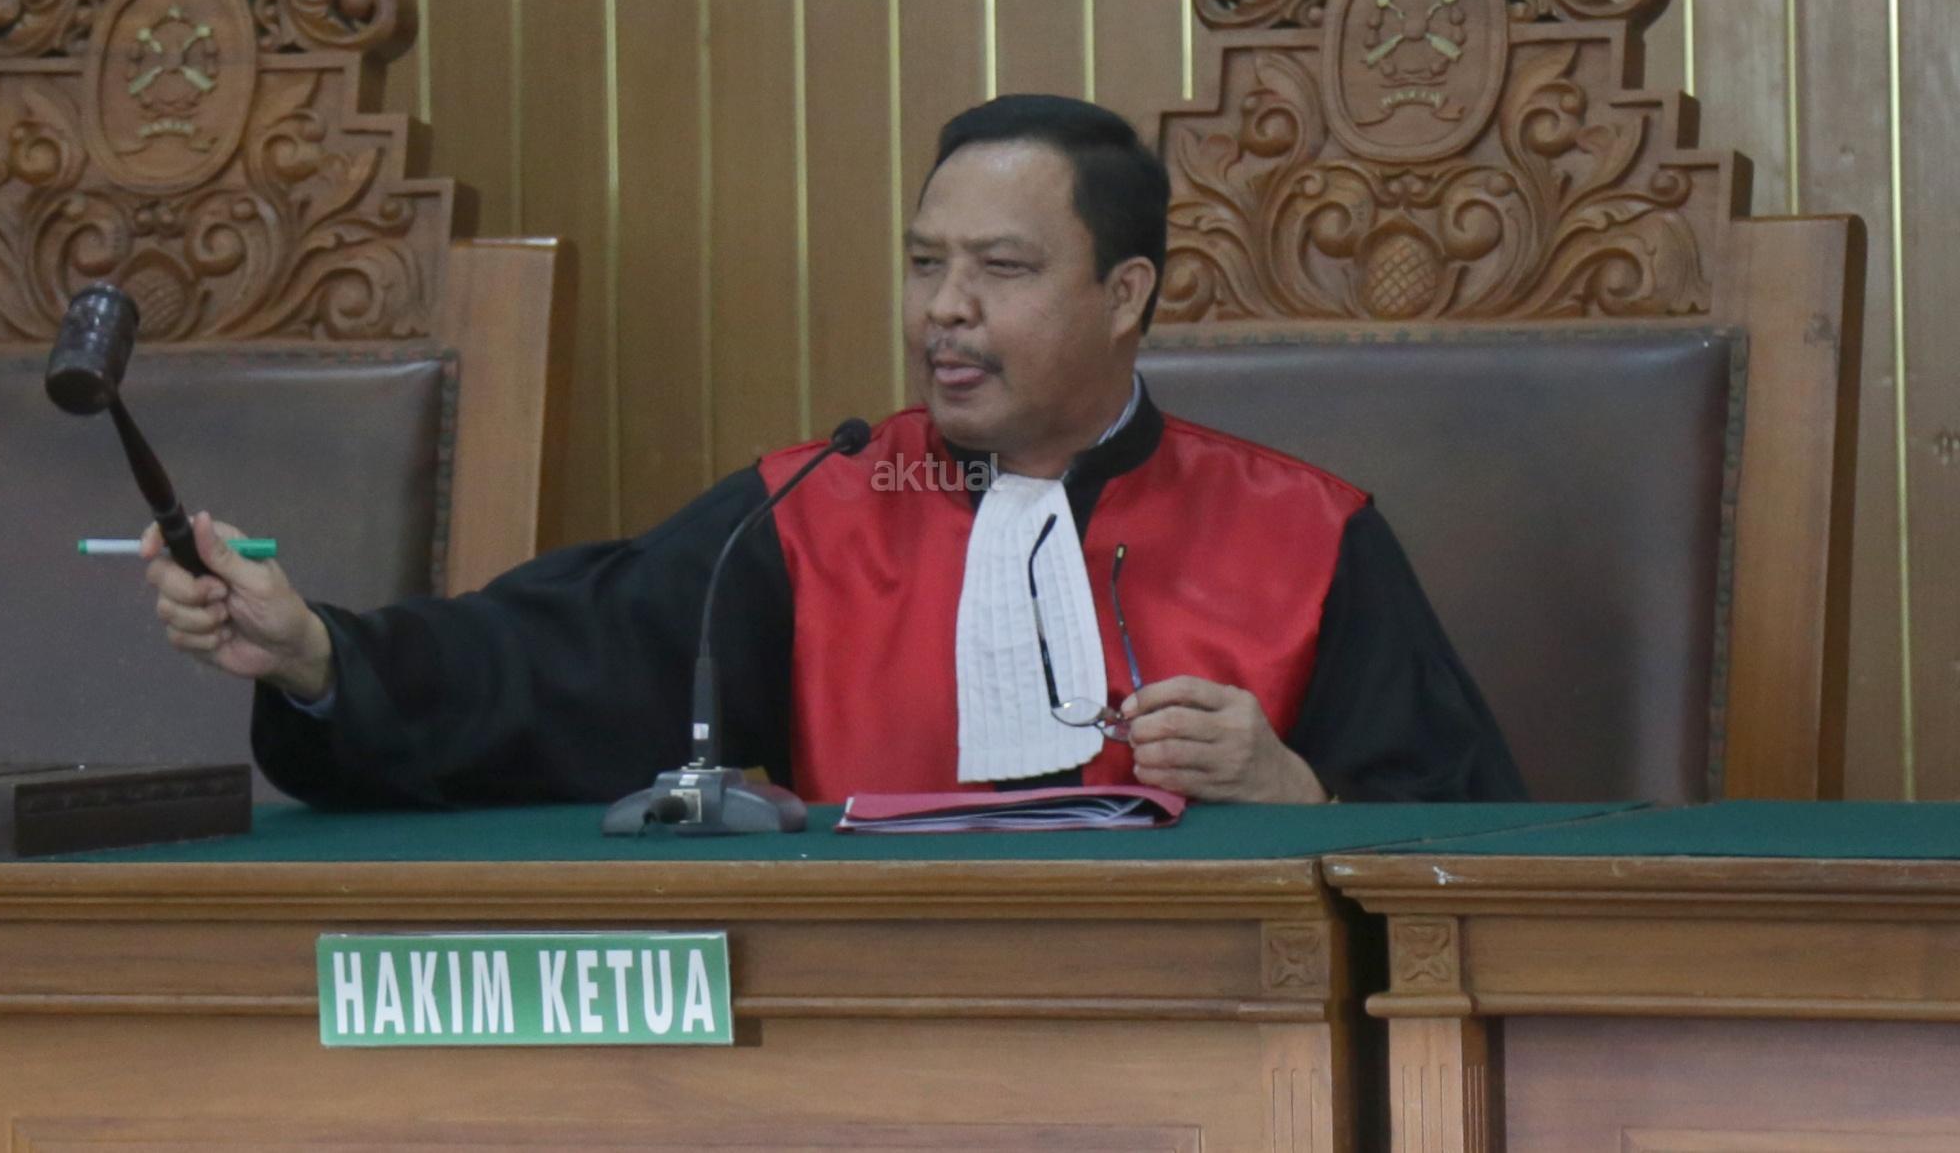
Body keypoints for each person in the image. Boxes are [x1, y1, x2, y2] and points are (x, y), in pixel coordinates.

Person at [142, 95, 1526, 808]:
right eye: (925, 265)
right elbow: (558, 663)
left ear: (1126, 296)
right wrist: (317, 654)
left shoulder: (1306, 533)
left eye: (1000, 269)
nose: (945, 310)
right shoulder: (817, 509)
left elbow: (1468, 841)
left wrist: (1292, 791)